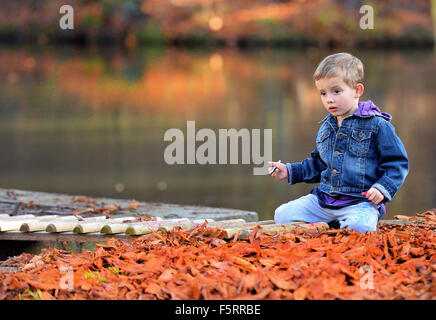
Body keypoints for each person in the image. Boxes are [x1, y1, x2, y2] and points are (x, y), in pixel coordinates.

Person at [269, 52, 409, 233]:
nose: (329, 99)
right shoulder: (327, 126)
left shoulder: (378, 125)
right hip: (324, 200)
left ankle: (355, 219)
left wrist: (382, 189)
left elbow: (397, 164)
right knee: (282, 215)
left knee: (359, 227)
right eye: (323, 93)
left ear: (357, 91)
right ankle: (332, 221)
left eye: (337, 91)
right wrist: (289, 171)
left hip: (360, 201)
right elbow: (319, 164)